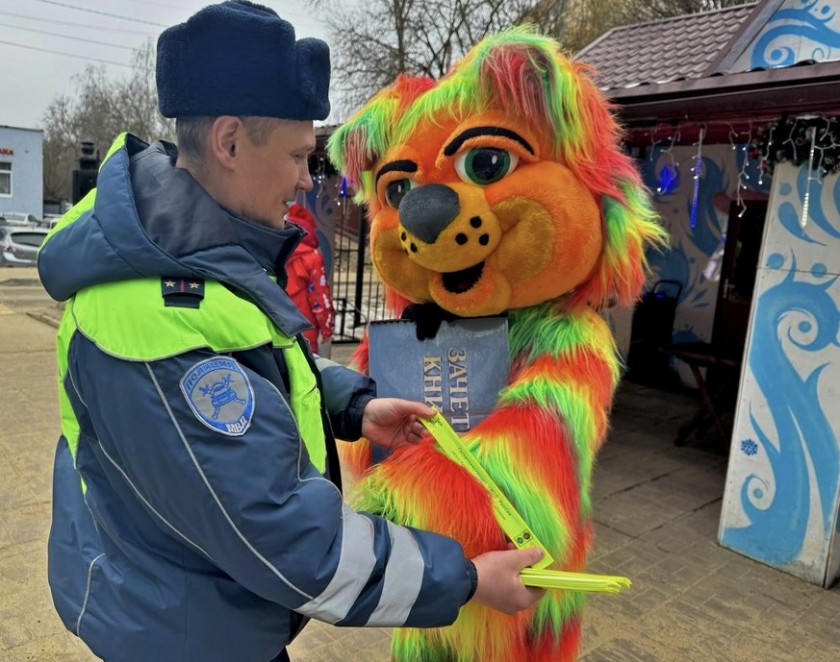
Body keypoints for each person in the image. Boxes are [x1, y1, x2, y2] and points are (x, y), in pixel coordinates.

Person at [38, 2, 545, 660]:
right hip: (180, 634)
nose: (308, 180)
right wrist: (470, 578)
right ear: (228, 142)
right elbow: (292, 543)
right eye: (298, 155)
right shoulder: (159, 312)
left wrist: (353, 405)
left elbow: (258, 362)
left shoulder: (192, 253)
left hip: (197, 608)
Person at [285, 204, 334, 355]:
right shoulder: (313, 258)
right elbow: (320, 296)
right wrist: (327, 328)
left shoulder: (278, 253)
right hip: (306, 329)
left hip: (280, 326)